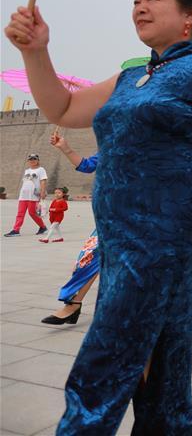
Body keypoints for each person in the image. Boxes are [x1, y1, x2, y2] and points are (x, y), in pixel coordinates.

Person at [4, 0, 192, 433]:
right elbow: (63, 109)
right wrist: (35, 51)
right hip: (118, 232)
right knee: (163, 345)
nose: (139, 6)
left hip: (166, 230)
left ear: (188, 17)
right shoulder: (129, 76)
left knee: (111, 344)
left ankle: (83, 426)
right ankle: (171, 425)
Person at [41, 133, 101, 325]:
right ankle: (73, 303)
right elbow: (87, 165)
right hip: (112, 219)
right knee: (88, 256)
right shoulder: (114, 147)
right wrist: (65, 148)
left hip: (148, 219)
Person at [4, 153, 48, 237]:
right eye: (31, 159)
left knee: (32, 213)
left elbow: (43, 181)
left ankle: (42, 227)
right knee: (20, 213)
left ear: (38, 160)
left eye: (34, 159)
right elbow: (26, 182)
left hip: (33, 195)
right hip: (23, 195)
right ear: (28, 161)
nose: (32, 160)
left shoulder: (41, 170)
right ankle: (16, 230)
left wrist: (42, 192)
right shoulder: (27, 171)